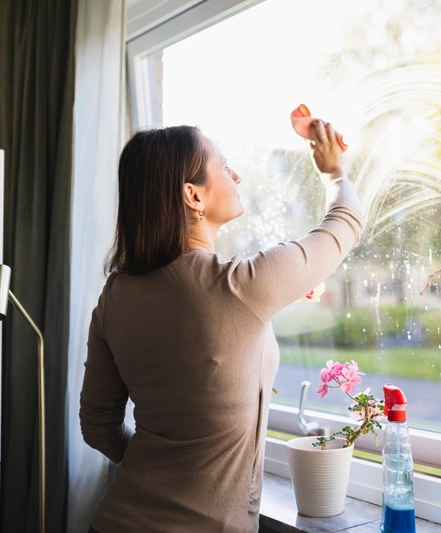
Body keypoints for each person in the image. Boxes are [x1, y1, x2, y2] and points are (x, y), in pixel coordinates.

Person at [79, 117, 364, 532]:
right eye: (224, 165)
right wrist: (334, 170)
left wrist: (164, 470)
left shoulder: (117, 294)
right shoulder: (238, 287)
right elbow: (347, 220)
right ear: (192, 195)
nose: (236, 175)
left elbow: (98, 427)